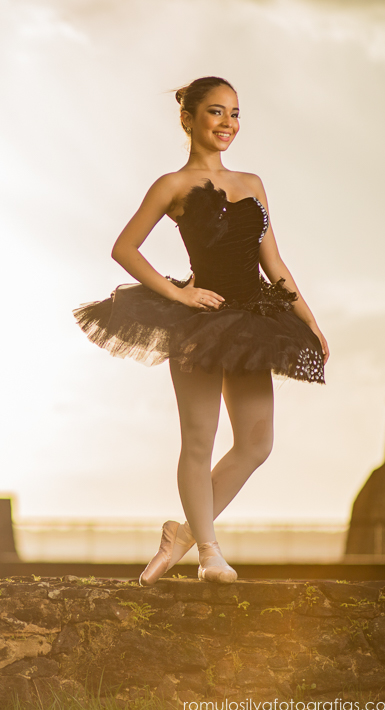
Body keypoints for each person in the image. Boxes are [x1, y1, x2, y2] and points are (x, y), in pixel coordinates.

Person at [73, 76, 328, 585]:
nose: (228, 124)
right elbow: (124, 248)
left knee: (257, 443)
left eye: (234, 113)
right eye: (216, 112)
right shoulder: (171, 185)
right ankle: (208, 552)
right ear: (188, 118)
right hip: (200, 321)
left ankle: (182, 533)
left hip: (255, 321)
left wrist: (309, 320)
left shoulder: (253, 184)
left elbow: (273, 262)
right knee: (199, 440)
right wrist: (179, 294)